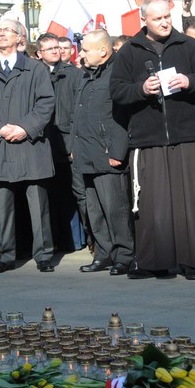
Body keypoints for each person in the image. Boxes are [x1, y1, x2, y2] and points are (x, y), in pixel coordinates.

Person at [110, 0, 195, 280]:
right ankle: (154, 263)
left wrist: (190, 82)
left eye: (167, 17)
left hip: (186, 135)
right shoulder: (129, 51)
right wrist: (141, 89)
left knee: (191, 204)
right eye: (157, 19)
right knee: (153, 206)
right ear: (144, 20)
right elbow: (116, 91)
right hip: (148, 138)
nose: (165, 22)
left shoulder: (190, 46)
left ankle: (193, 263)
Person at [0, 18, 56, 274]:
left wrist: (25, 128)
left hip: (31, 144)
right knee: (3, 206)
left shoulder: (36, 69)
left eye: (7, 30)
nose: (1, 34)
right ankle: (6, 255)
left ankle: (43, 255)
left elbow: (45, 103)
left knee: (38, 204)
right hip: (1, 146)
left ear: (20, 37)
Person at [72, 30, 134, 275]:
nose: (82, 53)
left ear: (103, 51)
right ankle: (104, 253)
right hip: (86, 153)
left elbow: (122, 117)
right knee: (94, 210)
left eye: (86, 50)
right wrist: (74, 148)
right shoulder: (87, 75)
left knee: (115, 209)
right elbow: (79, 114)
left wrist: (117, 151)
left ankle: (124, 255)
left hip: (107, 154)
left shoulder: (116, 75)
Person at [36, 33, 86, 253]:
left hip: (68, 142)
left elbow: (79, 111)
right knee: (51, 196)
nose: (56, 51)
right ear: (39, 53)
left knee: (77, 192)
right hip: (43, 143)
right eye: (50, 48)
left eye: (57, 47)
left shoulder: (74, 74)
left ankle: (84, 239)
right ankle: (57, 240)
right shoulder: (35, 74)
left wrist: (74, 142)